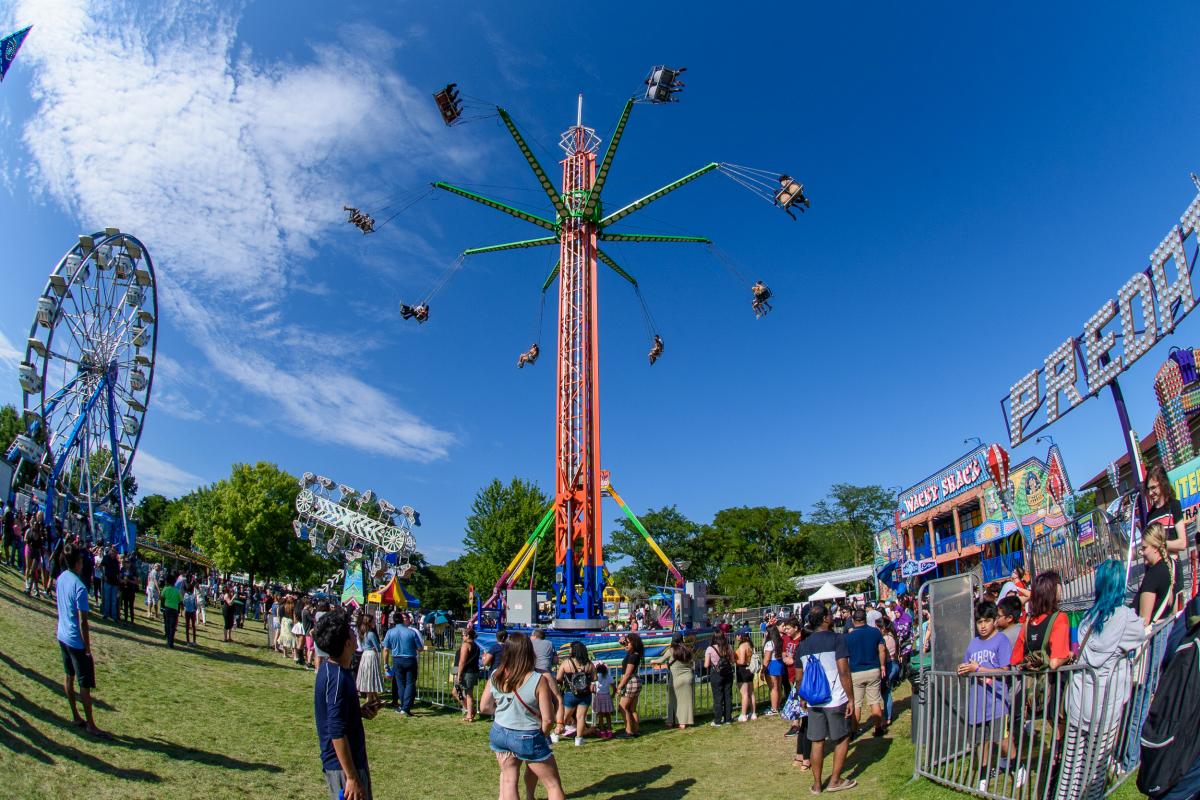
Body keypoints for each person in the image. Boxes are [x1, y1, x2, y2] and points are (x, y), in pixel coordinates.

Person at [1057, 559, 1146, 800]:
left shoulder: (1088, 617)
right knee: (1095, 768)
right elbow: (1140, 634)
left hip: (1080, 701)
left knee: (1071, 768)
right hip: (1105, 704)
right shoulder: (1125, 618)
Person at [480, 632, 566, 800]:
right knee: (553, 785)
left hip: (500, 732)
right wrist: (543, 734)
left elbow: (484, 707)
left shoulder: (496, 674)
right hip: (527, 734)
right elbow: (548, 719)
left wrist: (502, 712)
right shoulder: (538, 679)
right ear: (528, 651)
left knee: (509, 781)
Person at [314, 609, 379, 800]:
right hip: (343, 766)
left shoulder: (334, 669)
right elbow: (336, 730)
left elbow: (336, 713)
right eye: (351, 631)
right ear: (347, 643)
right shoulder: (337, 678)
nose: (355, 633)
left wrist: (358, 712)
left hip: (350, 762)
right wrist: (351, 777)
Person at [794, 605, 857, 794]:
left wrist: (802, 697)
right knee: (843, 737)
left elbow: (799, 677)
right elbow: (843, 670)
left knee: (817, 741)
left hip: (814, 700)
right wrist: (851, 698)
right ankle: (835, 780)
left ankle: (817, 784)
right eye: (829, 614)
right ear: (825, 619)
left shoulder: (802, 645)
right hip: (836, 697)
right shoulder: (838, 639)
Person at [956, 601, 1016, 792]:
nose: (982, 626)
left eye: (987, 621)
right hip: (978, 702)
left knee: (1002, 738)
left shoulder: (1001, 640)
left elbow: (1005, 670)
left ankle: (1017, 765)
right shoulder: (973, 643)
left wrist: (978, 669)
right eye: (979, 622)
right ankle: (983, 775)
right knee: (981, 741)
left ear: (994, 621)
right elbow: (968, 665)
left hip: (997, 700)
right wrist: (963, 669)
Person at [56, 543, 107, 737]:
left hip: (62, 635)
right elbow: (83, 621)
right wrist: (87, 648)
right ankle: (90, 724)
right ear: (77, 562)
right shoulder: (80, 587)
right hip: (75, 641)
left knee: (68, 676)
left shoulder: (62, 577)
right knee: (84, 684)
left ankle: (76, 715)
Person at [1145, 465, 1189, 608]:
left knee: (1177, 613)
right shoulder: (1150, 516)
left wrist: (1160, 545)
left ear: (1162, 484)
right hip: (1156, 573)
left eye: (1154, 488)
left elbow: (1183, 543)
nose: (1150, 493)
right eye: (1148, 489)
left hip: (1173, 570)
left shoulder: (1174, 506)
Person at [845, 607, 888, 738]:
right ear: (865, 619)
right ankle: (878, 728)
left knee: (856, 703)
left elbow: (845, 657)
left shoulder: (848, 637)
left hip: (855, 672)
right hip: (873, 669)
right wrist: (882, 666)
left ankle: (853, 731)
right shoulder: (875, 632)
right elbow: (882, 650)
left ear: (853, 621)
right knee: (875, 701)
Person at [382, 612, 423, 716]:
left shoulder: (390, 632)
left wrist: (385, 664)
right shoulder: (411, 632)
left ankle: (403, 706)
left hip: (397, 659)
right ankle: (406, 707)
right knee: (410, 683)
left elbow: (385, 649)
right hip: (410, 659)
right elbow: (420, 648)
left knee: (400, 684)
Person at [1137, 523, 1177, 627]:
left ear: (1155, 548)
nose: (1142, 553)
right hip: (1166, 628)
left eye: (1144, 548)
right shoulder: (1171, 564)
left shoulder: (1153, 575)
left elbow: (1143, 621)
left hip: (1153, 634)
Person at [653, 633, 696, 729]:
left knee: (672, 700)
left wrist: (652, 661)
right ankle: (683, 723)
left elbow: (660, 660)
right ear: (682, 639)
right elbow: (692, 662)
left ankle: (670, 721)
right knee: (686, 701)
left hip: (675, 678)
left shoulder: (671, 650)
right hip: (688, 677)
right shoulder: (688, 650)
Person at [557, 641, 596, 745]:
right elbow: (594, 678)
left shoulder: (566, 663)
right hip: (585, 694)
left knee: (564, 717)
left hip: (571, 693)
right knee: (581, 717)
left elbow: (558, 677)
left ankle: (556, 735)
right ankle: (579, 739)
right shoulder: (589, 664)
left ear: (573, 650)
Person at [615, 633, 644, 738]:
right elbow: (627, 647)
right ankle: (635, 731)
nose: (626, 645)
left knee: (622, 707)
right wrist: (624, 642)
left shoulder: (632, 656)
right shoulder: (635, 654)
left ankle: (628, 731)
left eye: (628, 643)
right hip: (635, 682)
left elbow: (627, 674)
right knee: (632, 709)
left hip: (630, 682)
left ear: (634, 644)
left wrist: (619, 686)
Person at [704, 631, 735, 727]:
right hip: (728, 673)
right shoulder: (728, 647)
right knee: (728, 695)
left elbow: (706, 665)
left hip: (716, 673)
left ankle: (718, 720)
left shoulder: (710, 649)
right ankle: (728, 718)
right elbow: (733, 661)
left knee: (718, 697)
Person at [356, 613, 384, 707]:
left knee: (368, 676)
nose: (374, 622)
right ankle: (369, 700)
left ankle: (376, 699)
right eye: (373, 621)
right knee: (371, 676)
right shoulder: (371, 634)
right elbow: (378, 648)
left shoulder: (361, 633)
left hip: (365, 654)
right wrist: (378, 645)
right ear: (369, 622)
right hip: (371, 655)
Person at [454, 626, 481, 722]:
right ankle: (470, 711)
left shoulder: (466, 645)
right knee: (457, 692)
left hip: (467, 672)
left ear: (468, 635)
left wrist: (459, 674)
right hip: (472, 671)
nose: (462, 637)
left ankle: (469, 715)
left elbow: (462, 661)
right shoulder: (476, 646)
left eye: (463, 635)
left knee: (468, 694)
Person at [762, 622, 785, 715]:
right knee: (778, 687)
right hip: (779, 663)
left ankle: (774, 709)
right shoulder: (779, 641)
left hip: (772, 665)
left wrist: (762, 671)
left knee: (773, 688)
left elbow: (767, 659)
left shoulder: (769, 643)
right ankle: (777, 705)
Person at [735, 630, 758, 722]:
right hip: (749, 670)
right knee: (751, 693)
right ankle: (753, 713)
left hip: (742, 670)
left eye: (737, 635)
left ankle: (743, 714)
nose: (736, 637)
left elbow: (741, 661)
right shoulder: (750, 645)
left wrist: (734, 660)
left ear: (740, 636)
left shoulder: (742, 646)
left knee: (744, 694)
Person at [592, 663, 615, 739]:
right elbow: (613, 686)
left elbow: (592, 688)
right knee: (608, 714)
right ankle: (609, 730)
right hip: (607, 696)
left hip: (599, 697)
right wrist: (613, 694)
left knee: (600, 715)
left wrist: (594, 692)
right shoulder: (608, 676)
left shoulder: (596, 676)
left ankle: (602, 731)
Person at [98, 546, 119, 621]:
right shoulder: (106, 558)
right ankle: (105, 614)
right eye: (112, 551)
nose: (113, 553)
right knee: (107, 599)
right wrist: (104, 575)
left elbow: (118, 573)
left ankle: (114, 616)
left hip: (114, 583)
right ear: (110, 551)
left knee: (113, 601)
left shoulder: (116, 561)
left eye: (115, 552)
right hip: (107, 581)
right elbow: (100, 566)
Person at [160, 573, 181, 648]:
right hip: (174, 609)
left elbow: (162, 597)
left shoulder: (165, 589)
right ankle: (171, 642)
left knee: (167, 623)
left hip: (167, 608)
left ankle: (168, 638)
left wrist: (163, 604)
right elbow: (180, 601)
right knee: (172, 626)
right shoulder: (177, 591)